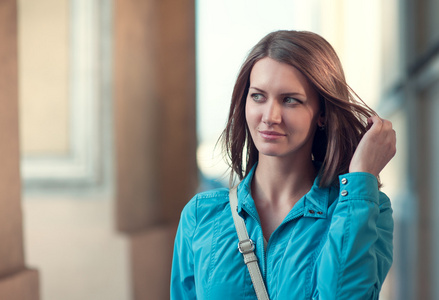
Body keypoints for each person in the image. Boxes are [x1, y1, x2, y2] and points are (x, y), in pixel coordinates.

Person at [171, 30, 396, 299]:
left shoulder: (366, 209)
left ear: (322, 114)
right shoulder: (200, 216)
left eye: (290, 100)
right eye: (258, 96)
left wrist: (362, 177)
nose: (270, 116)